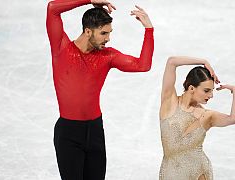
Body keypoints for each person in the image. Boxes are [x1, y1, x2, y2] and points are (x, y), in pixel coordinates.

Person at [46, 0, 154, 179]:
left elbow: (143, 65)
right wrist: (88, 0)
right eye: (103, 33)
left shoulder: (107, 56)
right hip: (68, 133)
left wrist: (148, 30)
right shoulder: (61, 48)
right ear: (88, 31)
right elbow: (52, 9)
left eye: (109, 33)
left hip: (95, 131)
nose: (108, 38)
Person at [159, 56, 235, 180]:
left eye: (212, 91)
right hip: (170, 171)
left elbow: (234, 118)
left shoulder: (206, 116)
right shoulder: (169, 102)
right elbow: (172, 62)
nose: (211, 95)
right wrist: (203, 62)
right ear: (191, 88)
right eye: (207, 90)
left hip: (198, 170)